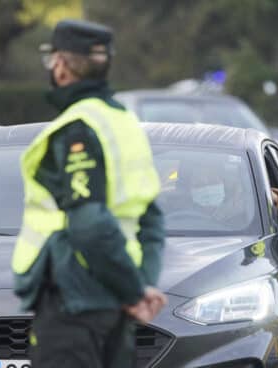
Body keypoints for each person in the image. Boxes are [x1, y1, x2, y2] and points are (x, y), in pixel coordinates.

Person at [11, 19, 167, 368]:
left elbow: (89, 222)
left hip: (73, 303)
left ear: (62, 67)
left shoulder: (78, 128)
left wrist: (132, 291)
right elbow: (153, 221)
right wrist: (139, 286)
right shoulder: (125, 123)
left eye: (52, 60)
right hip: (115, 308)